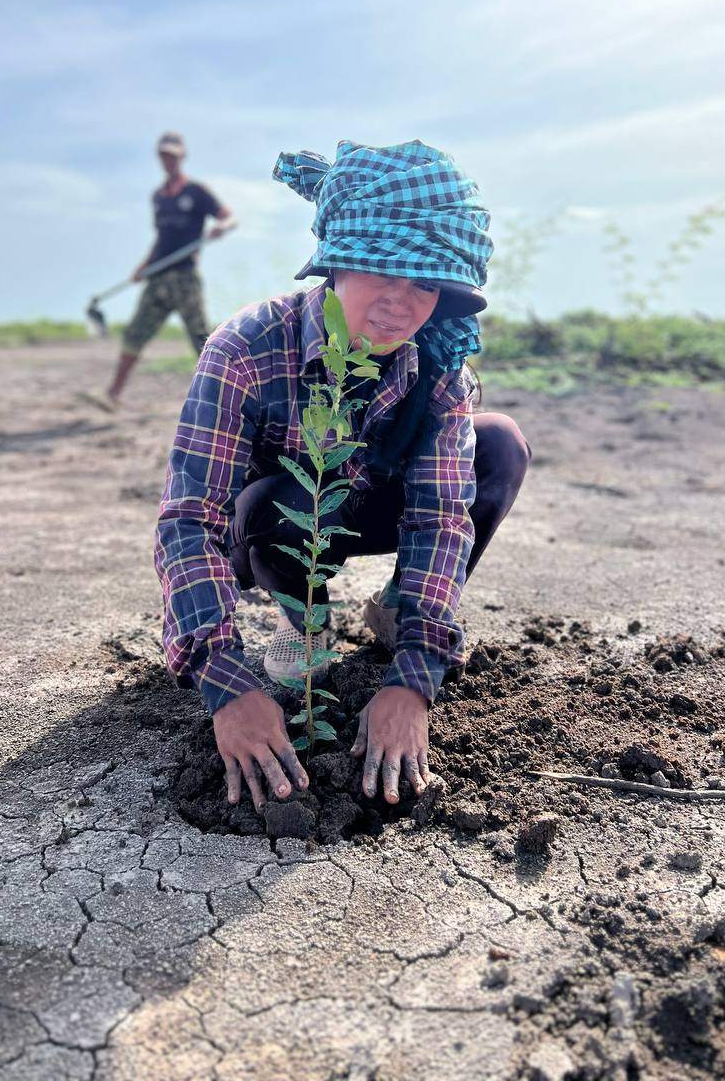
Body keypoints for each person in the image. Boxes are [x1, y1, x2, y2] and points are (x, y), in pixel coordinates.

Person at [155, 140, 529, 812]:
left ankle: (393, 611)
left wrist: (413, 679)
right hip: (272, 531)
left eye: (424, 283)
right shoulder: (244, 350)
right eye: (382, 272)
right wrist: (228, 687)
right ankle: (305, 621)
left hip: (373, 507)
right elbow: (190, 520)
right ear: (335, 263)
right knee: (284, 497)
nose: (401, 302)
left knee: (499, 445)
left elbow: (440, 518)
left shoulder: (438, 369)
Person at [99, 132, 236, 407]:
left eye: (173, 155)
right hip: (158, 277)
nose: (168, 160)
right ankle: (113, 394)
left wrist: (222, 227)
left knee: (201, 339)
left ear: (182, 156)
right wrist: (143, 266)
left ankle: (222, 399)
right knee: (135, 333)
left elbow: (229, 217)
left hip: (185, 277)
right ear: (159, 157)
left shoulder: (196, 192)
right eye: (164, 155)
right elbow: (161, 239)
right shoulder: (159, 198)